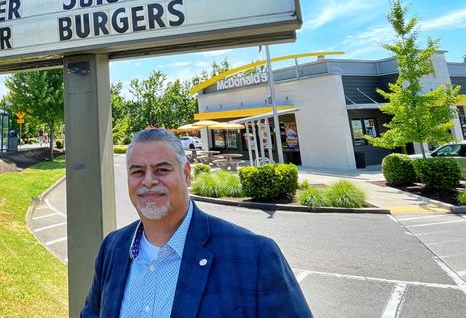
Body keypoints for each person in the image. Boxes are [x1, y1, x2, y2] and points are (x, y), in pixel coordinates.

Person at [81, 128, 311, 317]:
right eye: (137, 172)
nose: (149, 181)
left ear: (187, 174)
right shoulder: (113, 247)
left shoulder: (255, 255)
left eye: (162, 169)